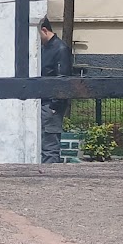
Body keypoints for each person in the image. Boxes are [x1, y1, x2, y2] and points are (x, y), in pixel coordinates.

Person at [39, 17, 72, 164]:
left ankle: (50, 179)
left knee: (50, 146)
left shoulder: (60, 49)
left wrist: (55, 106)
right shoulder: (47, 48)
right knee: (45, 143)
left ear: (44, 30)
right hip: (45, 103)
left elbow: (63, 80)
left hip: (51, 105)